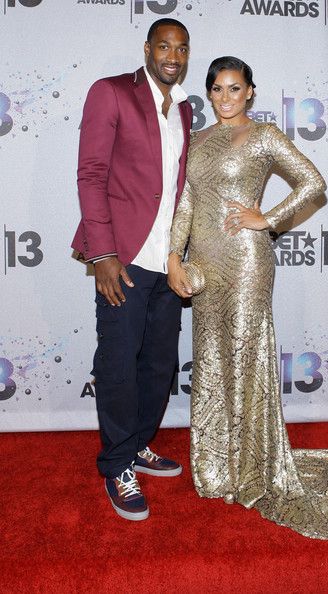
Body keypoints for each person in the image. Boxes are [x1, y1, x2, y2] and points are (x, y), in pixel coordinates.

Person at [168, 56, 328, 541]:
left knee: (244, 355)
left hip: (246, 261)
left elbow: (313, 183)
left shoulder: (263, 136)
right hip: (204, 262)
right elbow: (187, 201)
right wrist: (175, 255)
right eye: (217, 89)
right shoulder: (197, 141)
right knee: (211, 359)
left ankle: (252, 467)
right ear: (208, 93)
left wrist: (268, 219)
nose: (226, 97)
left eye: (235, 88)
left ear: (250, 92)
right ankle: (217, 467)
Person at [72, 18, 192, 521]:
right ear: (147, 49)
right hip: (122, 259)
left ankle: (138, 443)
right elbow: (92, 174)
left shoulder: (184, 107)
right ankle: (117, 464)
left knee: (159, 364)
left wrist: (180, 253)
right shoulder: (112, 92)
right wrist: (103, 254)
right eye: (164, 45)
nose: (172, 55)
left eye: (181, 48)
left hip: (167, 262)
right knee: (119, 366)